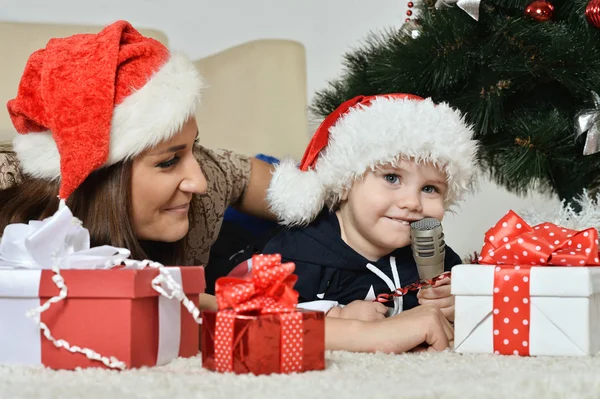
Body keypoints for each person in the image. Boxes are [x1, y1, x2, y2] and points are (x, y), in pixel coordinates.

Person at [0, 21, 453, 353]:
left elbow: (296, 192)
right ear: (97, 178)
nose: (195, 179)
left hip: (248, 245)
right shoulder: (28, 234)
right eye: (169, 161)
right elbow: (209, 318)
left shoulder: (211, 177)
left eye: (192, 149)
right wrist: (357, 332)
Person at [264, 94, 479, 322]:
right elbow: (258, 319)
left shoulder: (437, 258)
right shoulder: (295, 255)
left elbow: (480, 313)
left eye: (429, 189)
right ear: (345, 183)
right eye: (392, 178)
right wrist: (335, 315)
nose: (413, 202)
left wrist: (460, 304)